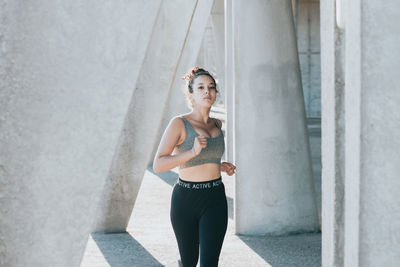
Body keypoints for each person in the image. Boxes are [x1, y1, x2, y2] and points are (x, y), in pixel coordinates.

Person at [153, 66, 236, 267]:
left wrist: (220, 165)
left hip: (215, 198)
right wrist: (191, 152)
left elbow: (208, 157)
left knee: (209, 263)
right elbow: (159, 164)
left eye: (211, 87)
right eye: (200, 88)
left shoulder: (217, 124)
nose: (207, 92)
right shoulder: (179, 124)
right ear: (191, 94)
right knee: (188, 262)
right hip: (185, 199)